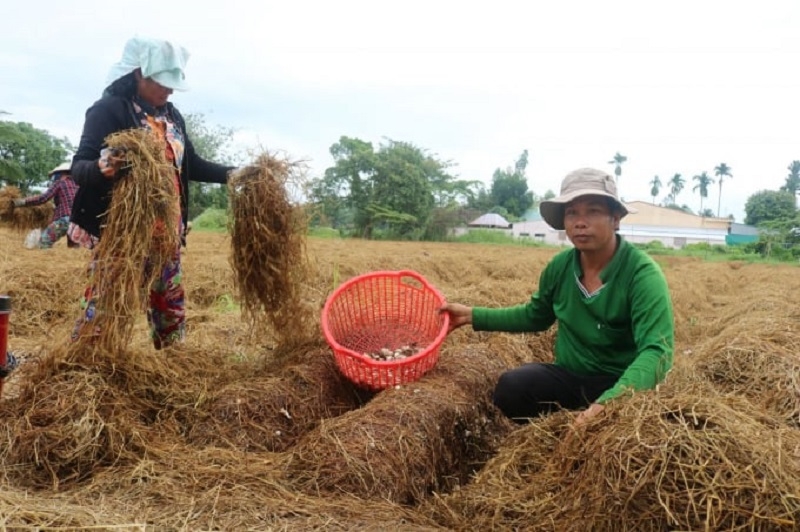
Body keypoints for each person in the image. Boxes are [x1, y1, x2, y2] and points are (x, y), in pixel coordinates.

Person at [440, 168, 674, 428]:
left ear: (615, 219)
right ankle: (558, 431)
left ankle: (595, 422)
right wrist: (471, 315)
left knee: (618, 428)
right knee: (512, 388)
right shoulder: (561, 267)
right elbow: (535, 316)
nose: (580, 222)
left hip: (622, 383)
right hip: (570, 378)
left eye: (593, 211)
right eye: (572, 212)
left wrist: (607, 405)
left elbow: (656, 351)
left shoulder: (642, 274)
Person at [69, 36, 235, 349]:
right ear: (138, 74)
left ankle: (171, 359)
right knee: (107, 305)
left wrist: (234, 174)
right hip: (123, 233)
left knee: (169, 306)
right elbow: (79, 166)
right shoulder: (108, 110)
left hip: (166, 232)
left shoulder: (172, 116)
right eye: (162, 82)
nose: (169, 90)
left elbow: (191, 165)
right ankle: (89, 361)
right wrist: (103, 168)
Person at [10, 162, 79, 249]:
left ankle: (46, 256)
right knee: (74, 246)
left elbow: (43, 198)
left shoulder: (60, 183)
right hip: (78, 221)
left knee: (44, 241)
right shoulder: (78, 185)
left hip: (65, 220)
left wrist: (22, 202)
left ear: (61, 174)